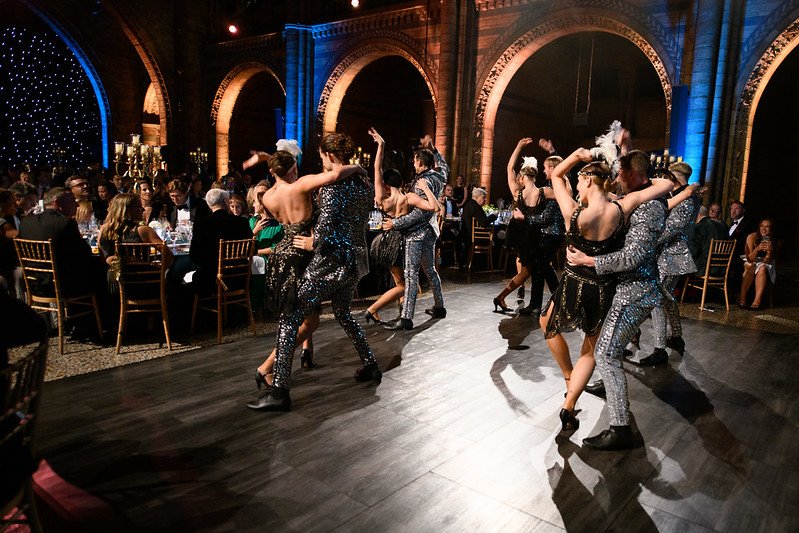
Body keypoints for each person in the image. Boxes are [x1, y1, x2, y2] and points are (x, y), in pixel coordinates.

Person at [541, 148, 674, 433]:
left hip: (573, 283)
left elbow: (556, 174)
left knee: (551, 326)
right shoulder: (622, 207)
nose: (576, 184)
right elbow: (667, 185)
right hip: (602, 289)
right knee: (590, 350)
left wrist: (576, 155)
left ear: (589, 180)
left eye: (579, 180)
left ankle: (569, 381)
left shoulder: (572, 212)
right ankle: (569, 405)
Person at [248, 134, 381, 412]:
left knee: (289, 319)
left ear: (331, 156)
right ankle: (370, 365)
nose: (320, 162)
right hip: (355, 261)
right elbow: (359, 222)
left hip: (331, 262)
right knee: (344, 314)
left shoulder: (332, 188)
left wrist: (315, 242)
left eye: (321, 157)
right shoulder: (362, 183)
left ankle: (280, 390)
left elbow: (327, 226)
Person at [364, 128, 440, 324]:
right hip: (400, 242)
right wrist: (426, 189)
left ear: (386, 183)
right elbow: (434, 207)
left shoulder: (382, 198)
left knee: (400, 281)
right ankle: (373, 309)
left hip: (382, 243)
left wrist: (381, 145)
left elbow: (376, 169)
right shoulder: (408, 197)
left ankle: (397, 310)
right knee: (405, 284)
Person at [383, 135, 448, 330]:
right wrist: (434, 149)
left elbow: (420, 213)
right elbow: (445, 166)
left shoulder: (423, 182)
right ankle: (439, 306)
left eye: (414, 160)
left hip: (418, 233)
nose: (413, 163)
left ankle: (406, 317)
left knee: (411, 274)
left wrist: (396, 223)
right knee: (430, 270)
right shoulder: (439, 176)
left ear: (420, 162)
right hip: (431, 230)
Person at [643, 162, 701, 365]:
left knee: (658, 299)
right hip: (670, 254)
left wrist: (646, 239)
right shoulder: (686, 196)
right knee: (667, 298)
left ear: (675, 178)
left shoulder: (687, 200)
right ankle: (676, 336)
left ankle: (660, 349)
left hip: (672, 256)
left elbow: (670, 229)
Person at [493, 138, 557, 312]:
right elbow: (562, 192)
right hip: (534, 235)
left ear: (522, 177)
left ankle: (503, 298)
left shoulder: (517, 193)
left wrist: (518, 146)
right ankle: (501, 297)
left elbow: (509, 168)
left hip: (521, 236)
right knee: (529, 271)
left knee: (530, 271)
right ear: (535, 176)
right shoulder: (542, 192)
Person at [17, 187, 107, 312]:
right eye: (71, 201)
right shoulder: (65, 223)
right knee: (102, 271)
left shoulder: (26, 222)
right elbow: (85, 254)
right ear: (57, 203)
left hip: (33, 283)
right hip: (61, 285)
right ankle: (98, 321)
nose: (76, 204)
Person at [187, 188, 252, 296]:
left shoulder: (202, 224)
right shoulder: (241, 222)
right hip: (240, 277)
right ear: (226, 202)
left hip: (212, 280)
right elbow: (252, 250)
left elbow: (195, 257)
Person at [98, 193, 173, 269]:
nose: (143, 209)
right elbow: (168, 255)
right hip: (144, 277)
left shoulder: (104, 230)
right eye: (139, 207)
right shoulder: (143, 231)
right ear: (127, 210)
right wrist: (162, 271)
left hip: (115, 278)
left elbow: (103, 259)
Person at [739, 219, 777, 310]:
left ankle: (757, 300)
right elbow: (749, 259)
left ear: (771, 229)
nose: (763, 229)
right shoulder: (752, 237)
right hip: (751, 260)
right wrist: (757, 249)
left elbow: (767, 261)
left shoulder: (774, 239)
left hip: (765, 262)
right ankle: (742, 297)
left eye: (767, 227)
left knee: (763, 267)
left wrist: (769, 253)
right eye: (762, 226)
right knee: (750, 266)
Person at [689, 205, 729, 277]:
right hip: (722, 268)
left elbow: (694, 251)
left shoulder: (699, 226)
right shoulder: (723, 225)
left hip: (704, 268)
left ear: (697, 214)